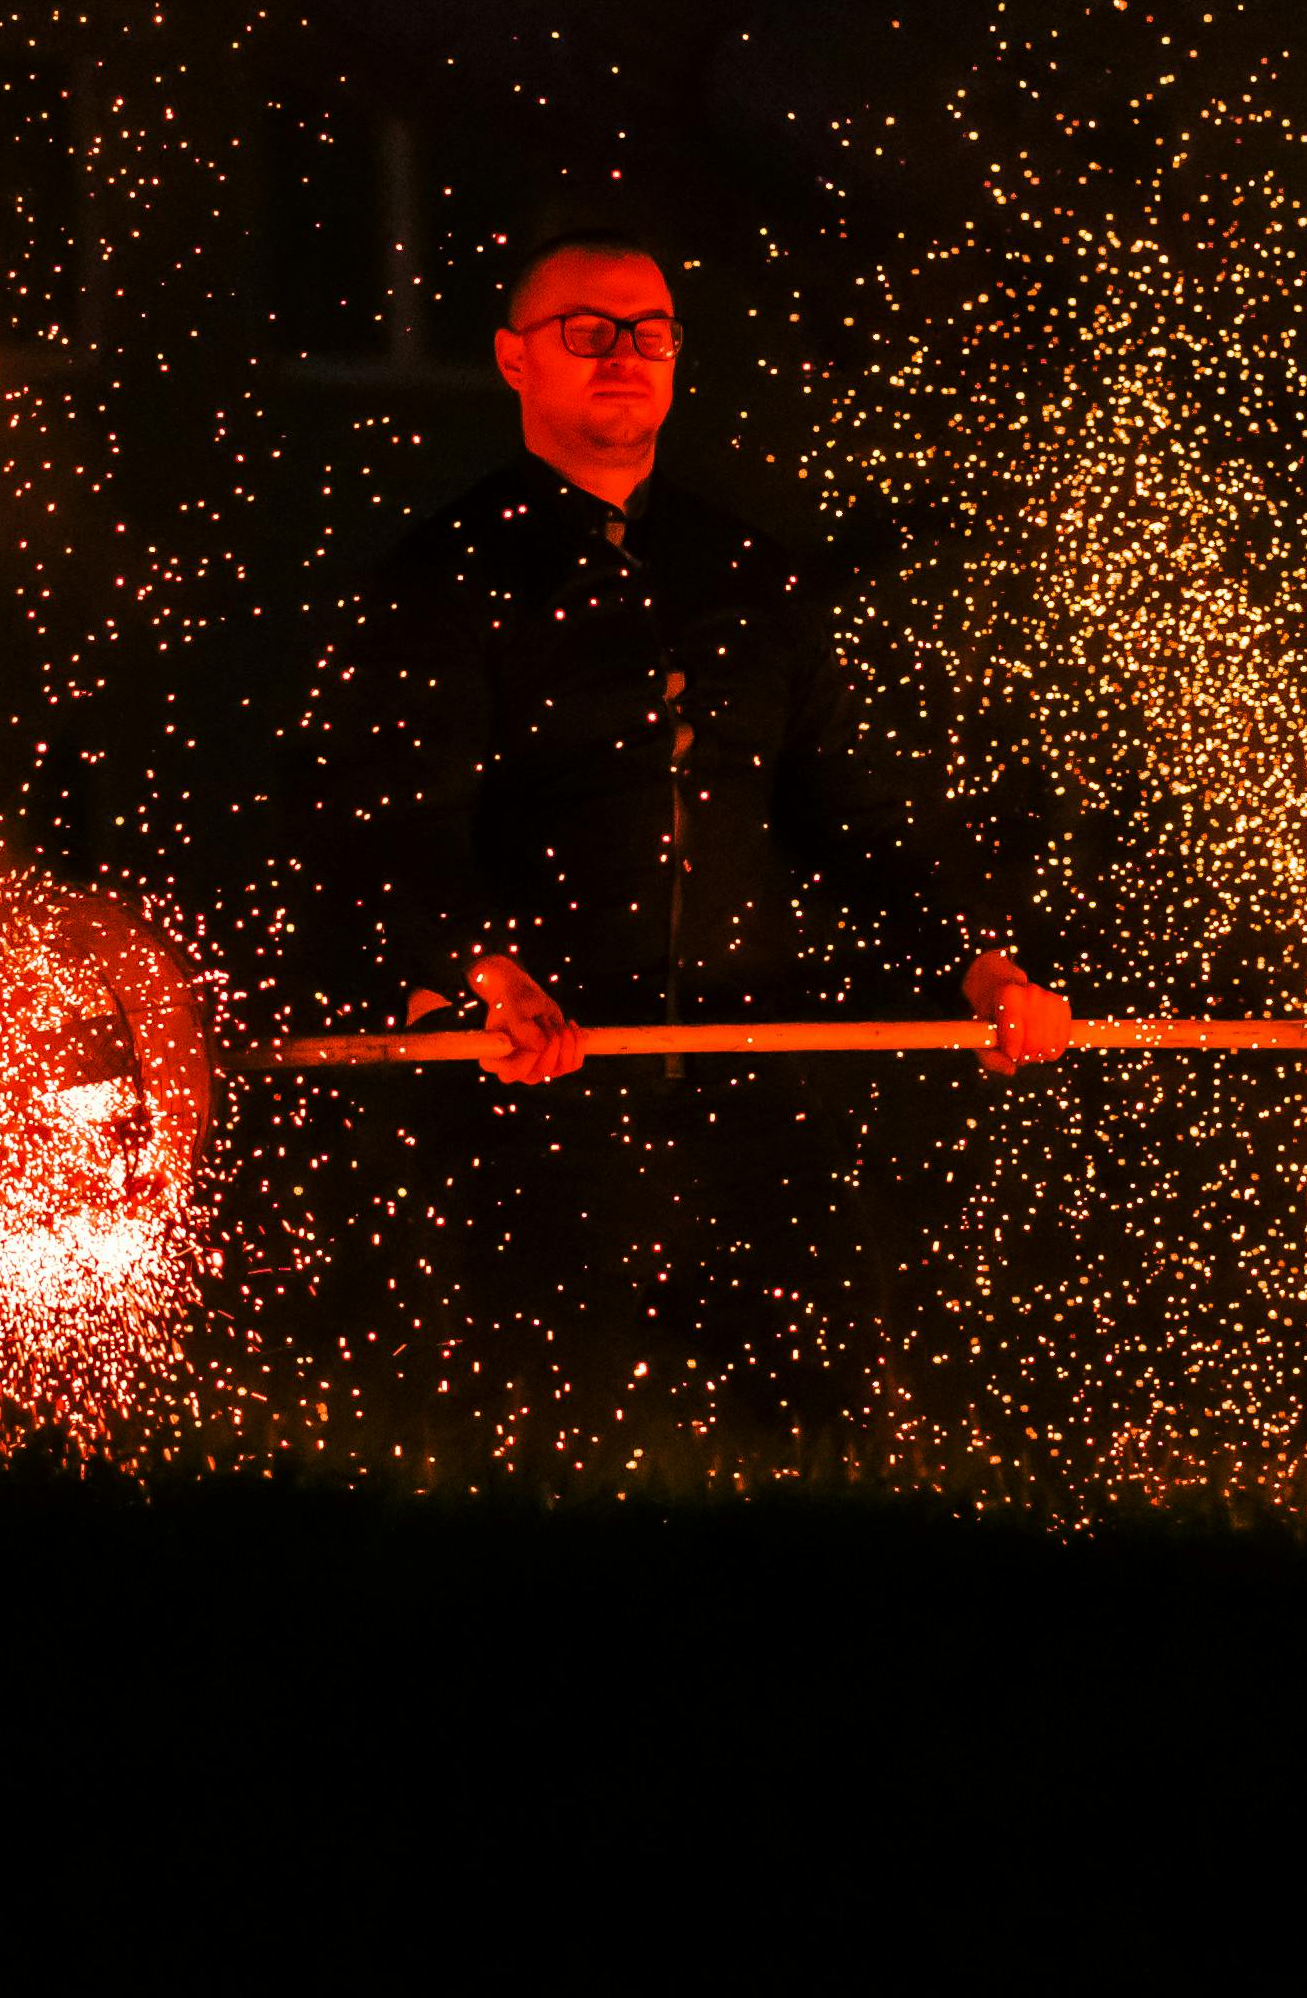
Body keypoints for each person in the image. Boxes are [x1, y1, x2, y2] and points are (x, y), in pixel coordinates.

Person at [293, 228, 1071, 1467]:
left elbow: (845, 805)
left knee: (840, 1444)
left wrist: (984, 965)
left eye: (650, 331)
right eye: (587, 331)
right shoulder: (443, 576)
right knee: (538, 1454)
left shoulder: (751, 571)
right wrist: (483, 969)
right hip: (531, 1090)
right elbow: (384, 816)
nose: (625, 356)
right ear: (513, 360)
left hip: (749, 1067)